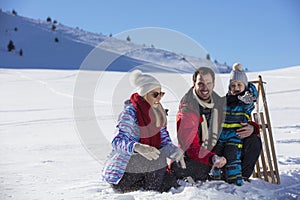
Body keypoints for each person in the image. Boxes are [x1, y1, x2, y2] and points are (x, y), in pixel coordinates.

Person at [170, 65, 262, 183]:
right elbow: (190, 147)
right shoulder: (188, 109)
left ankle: (239, 177)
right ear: (194, 83)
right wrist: (211, 158)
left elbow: (234, 117)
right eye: (201, 84)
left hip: (218, 150)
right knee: (195, 168)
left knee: (254, 142)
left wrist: (252, 128)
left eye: (208, 83)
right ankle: (216, 175)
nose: (205, 88)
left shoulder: (218, 102)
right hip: (196, 156)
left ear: (213, 84)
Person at [102, 69, 186, 193]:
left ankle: (151, 187)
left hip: (145, 168)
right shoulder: (130, 113)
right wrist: (138, 147)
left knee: (170, 180)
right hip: (124, 172)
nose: (159, 98)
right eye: (155, 94)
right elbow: (117, 141)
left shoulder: (158, 113)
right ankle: (151, 191)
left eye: (161, 94)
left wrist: (175, 152)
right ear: (145, 93)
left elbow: (164, 141)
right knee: (158, 160)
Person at [211, 63, 258, 186]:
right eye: (233, 85)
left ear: (245, 86)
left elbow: (252, 100)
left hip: (235, 136)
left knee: (232, 157)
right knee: (216, 156)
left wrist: (248, 92)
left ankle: (235, 180)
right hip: (221, 137)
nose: (236, 87)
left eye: (239, 85)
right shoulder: (224, 101)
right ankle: (215, 179)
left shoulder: (245, 103)